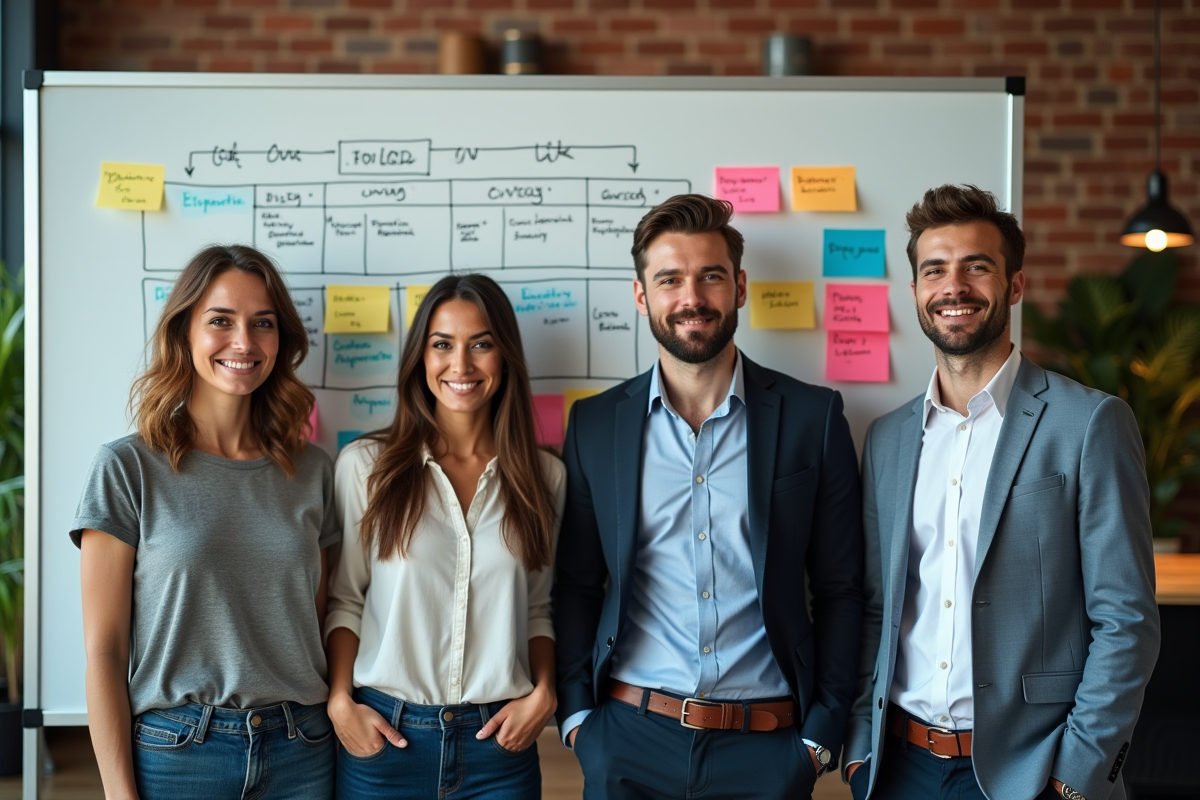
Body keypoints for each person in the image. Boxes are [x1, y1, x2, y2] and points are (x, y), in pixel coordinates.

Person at [844, 185, 1160, 800]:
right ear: (914, 292)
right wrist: (861, 748)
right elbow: (877, 609)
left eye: (976, 267)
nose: (954, 287)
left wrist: (1075, 776)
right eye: (934, 270)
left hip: (1031, 773)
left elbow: (1126, 621)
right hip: (898, 769)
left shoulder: (1091, 423)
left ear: (1014, 285)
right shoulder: (887, 439)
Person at [553, 194, 864, 799]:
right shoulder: (594, 425)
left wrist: (821, 732)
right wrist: (578, 721)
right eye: (669, 280)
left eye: (710, 277)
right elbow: (576, 584)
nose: (691, 298)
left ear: (740, 287)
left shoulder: (812, 417)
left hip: (769, 749)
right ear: (642, 295)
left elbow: (840, 587)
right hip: (627, 743)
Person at [73, 245, 340, 800]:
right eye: (221, 320)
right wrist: (119, 794)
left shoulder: (314, 469)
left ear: (280, 341)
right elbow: (104, 651)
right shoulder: (126, 467)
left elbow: (323, 620)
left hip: (304, 749)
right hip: (179, 754)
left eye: (262, 324)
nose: (243, 342)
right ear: (184, 333)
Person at [325, 273, 565, 800]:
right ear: (421, 358)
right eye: (442, 345)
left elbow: (539, 608)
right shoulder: (367, 467)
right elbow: (345, 599)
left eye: (481, 344)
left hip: (499, 747)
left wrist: (546, 693)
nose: (461, 365)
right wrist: (341, 702)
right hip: (385, 741)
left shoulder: (545, 477)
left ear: (505, 358)